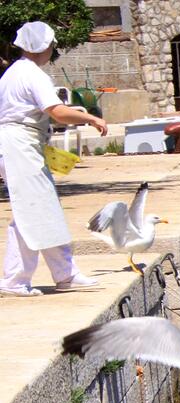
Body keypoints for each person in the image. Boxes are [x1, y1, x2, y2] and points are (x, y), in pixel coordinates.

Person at [0, 21, 107, 297]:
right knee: (30, 210)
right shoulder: (33, 75)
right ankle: (15, 280)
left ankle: (65, 273)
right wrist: (90, 117)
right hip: (19, 145)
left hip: (21, 143)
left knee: (44, 207)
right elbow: (57, 111)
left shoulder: (14, 73)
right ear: (45, 47)